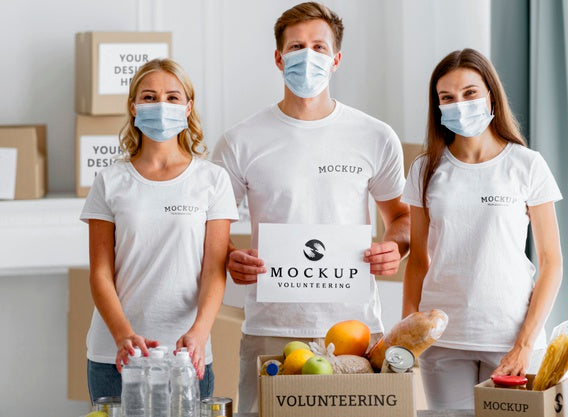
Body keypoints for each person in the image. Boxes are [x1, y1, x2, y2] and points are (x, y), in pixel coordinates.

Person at [211, 2, 410, 412]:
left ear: (336, 60)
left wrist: (396, 248)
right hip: (270, 329)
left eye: (319, 47)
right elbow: (210, 227)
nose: (308, 56)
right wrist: (232, 257)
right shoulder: (240, 141)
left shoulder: (375, 136)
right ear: (278, 58)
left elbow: (402, 219)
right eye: (297, 46)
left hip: (356, 333)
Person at [401, 48, 563, 410]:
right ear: (438, 106)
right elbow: (417, 261)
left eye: (469, 93)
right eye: (448, 97)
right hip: (441, 339)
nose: (459, 103)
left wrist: (524, 343)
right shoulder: (426, 169)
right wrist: (407, 334)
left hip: (509, 338)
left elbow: (552, 262)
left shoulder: (526, 165)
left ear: (490, 94)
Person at [80, 58, 239, 403]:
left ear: (188, 107)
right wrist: (123, 336)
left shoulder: (212, 180)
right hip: (116, 356)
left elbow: (214, 270)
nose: (161, 105)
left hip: (186, 356)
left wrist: (199, 332)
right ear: (134, 107)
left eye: (172, 97)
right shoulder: (110, 180)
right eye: (150, 97)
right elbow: (100, 273)